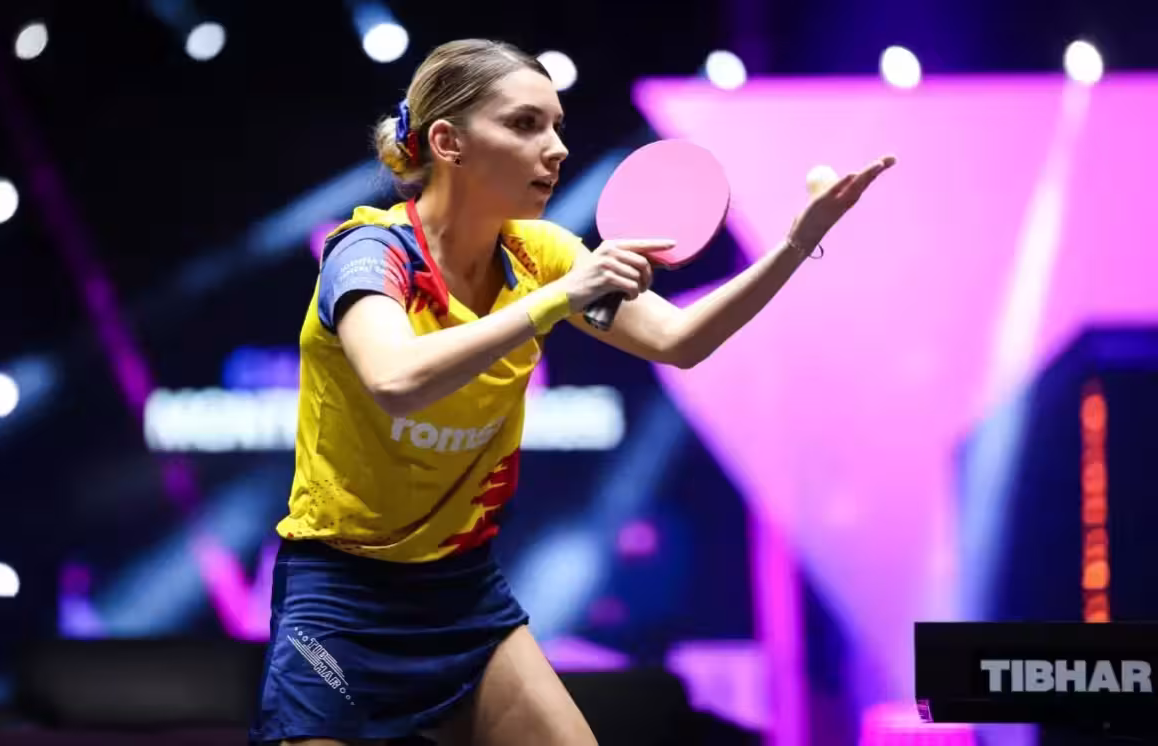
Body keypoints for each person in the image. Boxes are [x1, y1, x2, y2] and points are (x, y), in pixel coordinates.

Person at [249, 38, 894, 746]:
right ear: (448, 142)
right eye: (525, 125)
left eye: (557, 125)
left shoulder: (543, 254)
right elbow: (395, 380)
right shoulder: (371, 252)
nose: (556, 148)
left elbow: (680, 340)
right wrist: (559, 299)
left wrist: (794, 246)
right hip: (342, 597)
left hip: (460, 592)